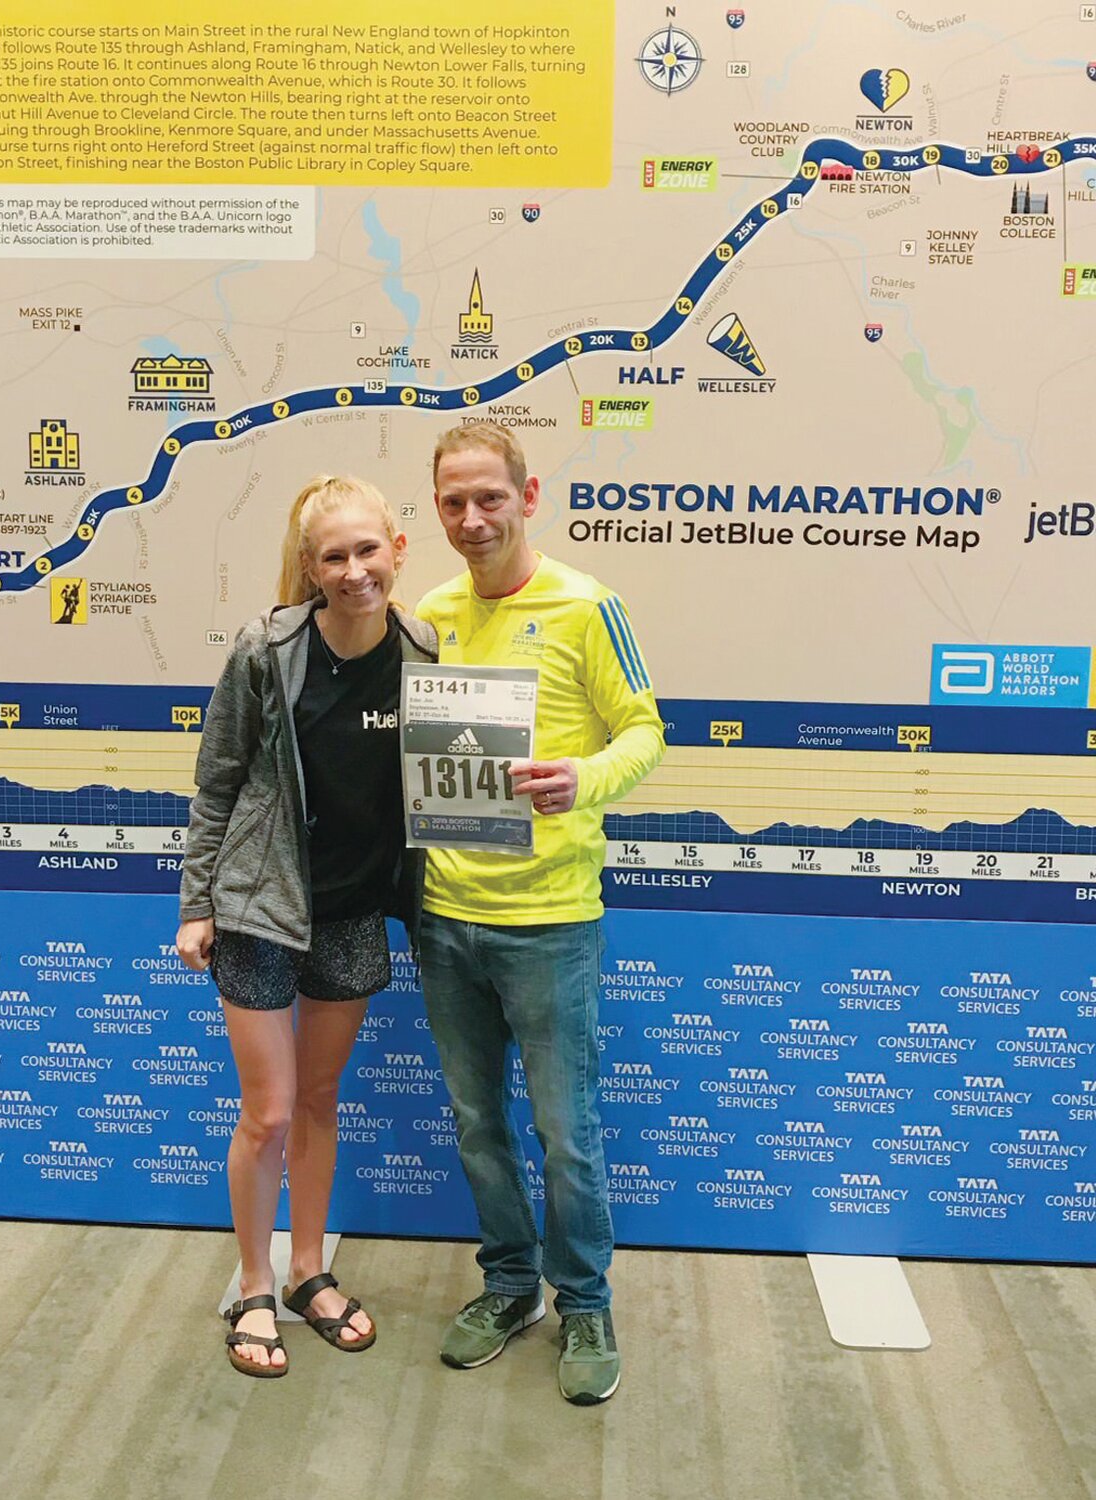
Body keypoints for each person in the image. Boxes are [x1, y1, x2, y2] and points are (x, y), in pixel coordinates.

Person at [414, 421, 664, 1405]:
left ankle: (586, 1302)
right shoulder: (429, 612)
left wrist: (586, 778)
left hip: (553, 921)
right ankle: (509, 1286)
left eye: (490, 497)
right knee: (479, 1126)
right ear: (435, 510)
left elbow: (646, 731)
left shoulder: (588, 605)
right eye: (453, 502)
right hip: (445, 917)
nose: (473, 519)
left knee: (568, 1134)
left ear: (529, 495)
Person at [176, 475, 437, 1377]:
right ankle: (253, 1284)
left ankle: (307, 1272)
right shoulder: (267, 648)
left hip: (354, 911)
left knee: (321, 1104)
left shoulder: (425, 651)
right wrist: (197, 904)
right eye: (334, 555)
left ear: (397, 550)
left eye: (368, 550)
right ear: (309, 567)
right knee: (270, 1111)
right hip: (260, 907)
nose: (354, 570)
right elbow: (217, 780)